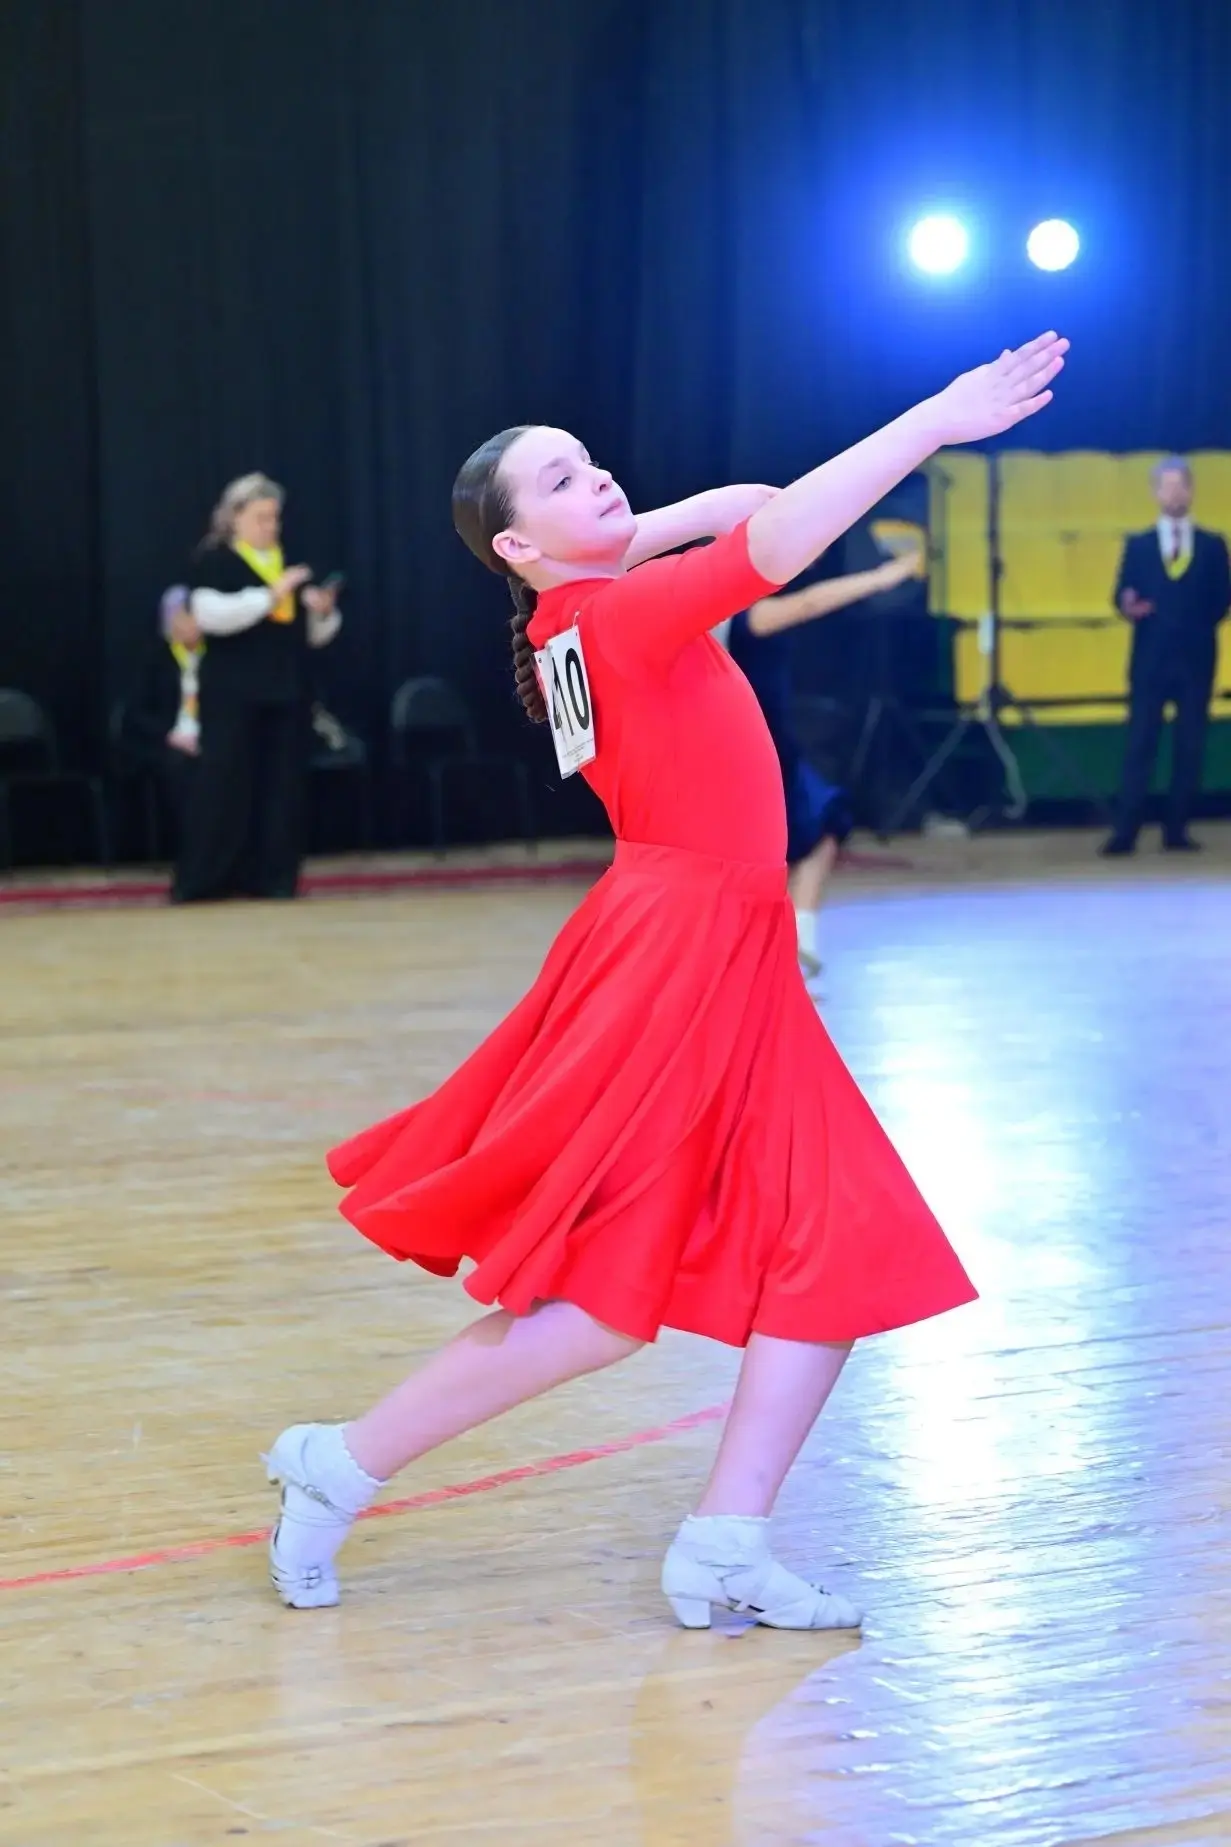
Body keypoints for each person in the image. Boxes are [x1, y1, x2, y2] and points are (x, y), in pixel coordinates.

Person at [262, 331, 1066, 1630]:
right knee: (601, 1304)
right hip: (677, 957)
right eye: (560, 481)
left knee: (835, 1245)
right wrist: (931, 418)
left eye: (589, 463)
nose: (595, 479)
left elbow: (748, 507)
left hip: (725, 946)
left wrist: (629, 527)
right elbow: (774, 533)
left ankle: (725, 1539)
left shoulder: (574, 617)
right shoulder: (616, 617)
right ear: (514, 545)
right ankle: (337, 1461)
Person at [723, 548, 924, 977]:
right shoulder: (743, 617)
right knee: (788, 839)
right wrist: (879, 579)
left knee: (823, 822)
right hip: (753, 752)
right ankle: (769, 946)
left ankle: (799, 938)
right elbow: (809, 603)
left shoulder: (729, 615)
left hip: (767, 746)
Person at [173, 474, 342, 903]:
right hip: (231, 694)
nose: (271, 526)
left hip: (285, 691)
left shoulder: (289, 561)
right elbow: (211, 616)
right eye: (261, 517)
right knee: (225, 786)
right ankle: (208, 879)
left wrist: (322, 613)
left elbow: (313, 637)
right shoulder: (216, 560)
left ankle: (272, 877)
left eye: (274, 517)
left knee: (280, 789)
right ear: (234, 518)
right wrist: (271, 595)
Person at [1102, 456, 1230, 856]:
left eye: (1181, 486)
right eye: (1167, 486)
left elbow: (1222, 599)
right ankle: (1126, 831)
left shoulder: (1212, 545)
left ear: (1191, 490)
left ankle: (1177, 829)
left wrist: (1189, 625)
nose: (1175, 494)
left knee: (1189, 746)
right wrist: (1128, 605)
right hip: (1150, 660)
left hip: (1196, 659)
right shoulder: (1138, 545)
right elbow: (1121, 593)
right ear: (1156, 492)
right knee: (1140, 743)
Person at [120, 587, 206, 843]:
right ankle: (191, 844)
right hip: (166, 741)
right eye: (174, 618)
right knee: (178, 765)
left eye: (185, 617)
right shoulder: (155, 660)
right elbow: (135, 714)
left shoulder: (215, 659)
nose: (178, 624)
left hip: (208, 737)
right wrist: (172, 735)